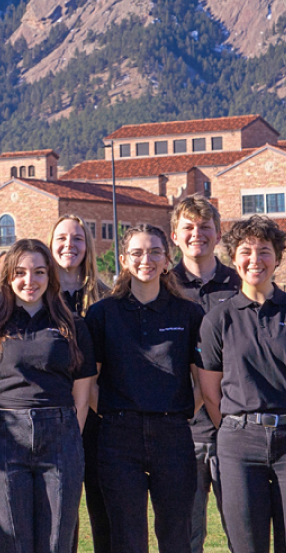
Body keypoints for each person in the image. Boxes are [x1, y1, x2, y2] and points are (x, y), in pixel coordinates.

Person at [198, 216, 286, 553]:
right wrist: (241, 429)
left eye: (264, 251)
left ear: (278, 258)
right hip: (239, 445)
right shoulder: (219, 318)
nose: (255, 260)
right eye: (246, 251)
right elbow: (211, 393)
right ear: (233, 258)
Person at [0, 238, 96, 553]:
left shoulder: (71, 325)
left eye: (39, 272)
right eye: (21, 272)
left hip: (60, 438)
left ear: (50, 277)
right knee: (13, 544)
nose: (30, 281)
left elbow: (82, 395)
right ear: (9, 277)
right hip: (3, 438)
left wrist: (67, 435)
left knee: (57, 544)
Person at [86, 225, 205, 553]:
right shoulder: (102, 314)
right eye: (137, 253)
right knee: (126, 538)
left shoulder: (189, 313)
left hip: (173, 436)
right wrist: (114, 414)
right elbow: (89, 383)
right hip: (118, 439)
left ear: (168, 260)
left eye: (155, 252)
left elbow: (203, 381)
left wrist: (178, 411)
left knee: (176, 536)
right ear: (124, 260)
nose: (146, 260)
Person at [169, 195, 239, 553]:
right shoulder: (163, 288)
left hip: (239, 428)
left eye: (205, 227)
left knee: (244, 533)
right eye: (189, 228)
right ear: (175, 236)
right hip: (185, 433)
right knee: (185, 535)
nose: (198, 234)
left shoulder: (241, 283)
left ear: (219, 232)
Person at [48, 215, 111, 553]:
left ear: (88, 246)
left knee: (105, 514)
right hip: (55, 420)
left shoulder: (106, 299)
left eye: (77, 238)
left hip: (100, 420)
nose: (69, 245)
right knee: (61, 517)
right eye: (61, 238)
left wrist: (95, 403)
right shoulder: (39, 298)